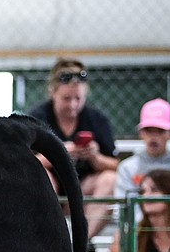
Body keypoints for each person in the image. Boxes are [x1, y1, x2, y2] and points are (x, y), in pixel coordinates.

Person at [28, 58, 119, 240]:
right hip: (51, 190)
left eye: (78, 99)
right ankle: (52, 239)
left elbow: (114, 164)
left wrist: (95, 157)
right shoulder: (38, 118)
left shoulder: (96, 119)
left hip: (82, 190)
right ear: (53, 92)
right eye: (66, 99)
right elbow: (25, 162)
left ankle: (82, 240)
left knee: (110, 179)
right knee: (41, 175)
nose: (72, 105)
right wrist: (58, 153)